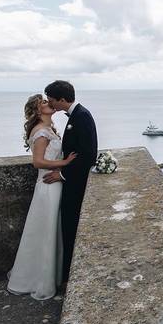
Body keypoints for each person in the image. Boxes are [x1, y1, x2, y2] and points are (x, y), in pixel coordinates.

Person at [7, 94, 78, 300]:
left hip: (54, 184)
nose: (50, 104)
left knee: (51, 230)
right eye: (45, 103)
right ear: (38, 110)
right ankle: (39, 279)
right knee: (46, 230)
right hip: (47, 185)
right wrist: (64, 164)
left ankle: (52, 276)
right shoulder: (40, 132)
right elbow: (38, 162)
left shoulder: (48, 129)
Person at [42, 80, 99, 286]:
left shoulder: (82, 116)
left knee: (70, 228)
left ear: (62, 99)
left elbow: (88, 155)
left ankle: (69, 279)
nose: (50, 104)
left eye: (52, 100)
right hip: (71, 182)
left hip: (76, 185)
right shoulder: (76, 115)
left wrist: (63, 174)